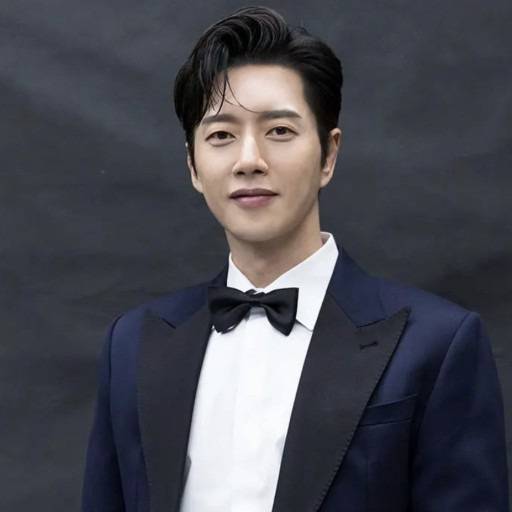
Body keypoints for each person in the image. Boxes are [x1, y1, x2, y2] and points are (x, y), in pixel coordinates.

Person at [81, 6, 509, 512]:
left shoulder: (437, 344)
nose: (249, 160)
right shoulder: (133, 345)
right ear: (193, 165)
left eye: (279, 131)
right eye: (221, 135)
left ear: (329, 155)